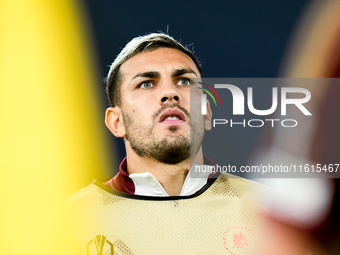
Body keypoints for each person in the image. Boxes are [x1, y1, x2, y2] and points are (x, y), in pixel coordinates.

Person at [69, 33, 265, 255]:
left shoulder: (268, 213)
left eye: (184, 81)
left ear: (207, 114)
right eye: (146, 84)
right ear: (117, 121)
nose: (170, 93)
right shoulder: (68, 222)